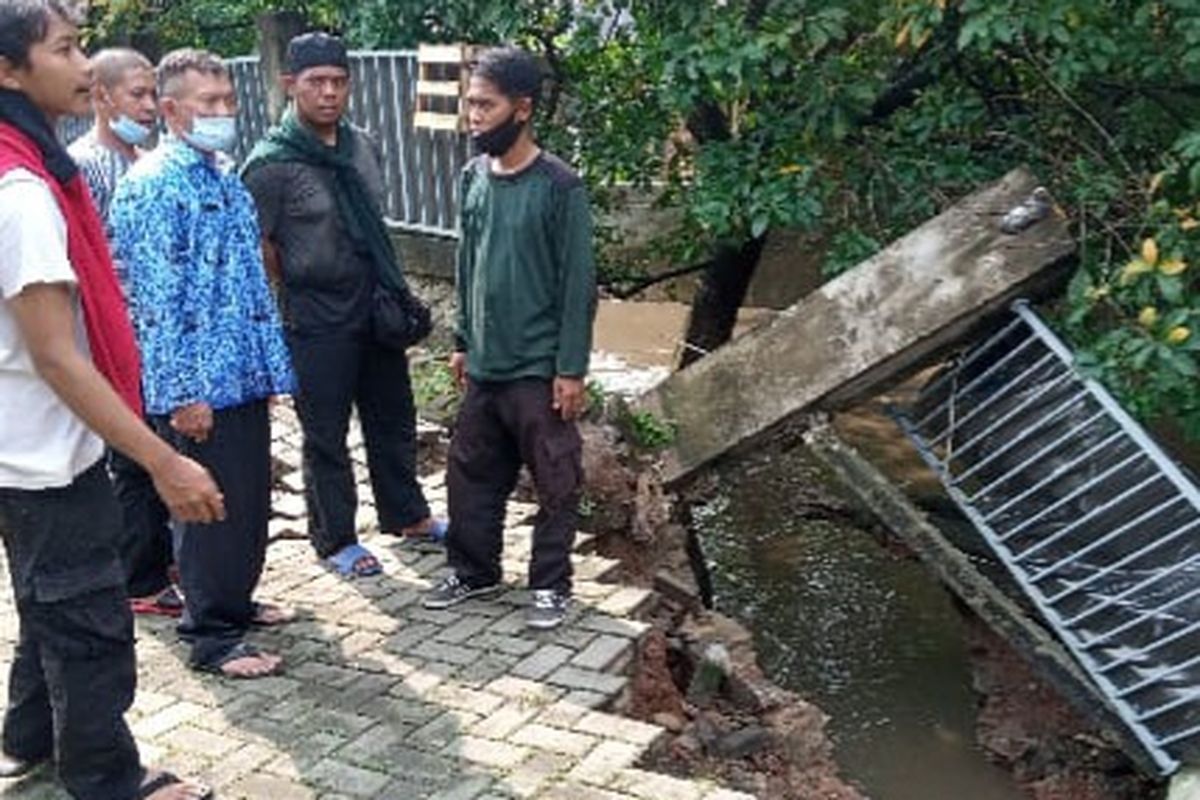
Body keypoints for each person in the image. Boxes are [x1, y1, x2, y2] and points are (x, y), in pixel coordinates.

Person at [0, 1, 221, 796]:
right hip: (45, 453)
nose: (85, 64)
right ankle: (106, 779)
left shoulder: (16, 164)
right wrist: (163, 461)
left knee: (46, 603)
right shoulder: (22, 190)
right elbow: (58, 357)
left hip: (20, 450)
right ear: (8, 71)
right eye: (64, 49)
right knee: (90, 623)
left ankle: (29, 737)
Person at [110, 48, 296, 679]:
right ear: (169, 110)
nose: (223, 112)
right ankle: (213, 636)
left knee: (246, 503)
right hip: (198, 389)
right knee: (208, 511)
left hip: (239, 375)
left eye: (227, 101)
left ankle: (233, 603)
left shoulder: (222, 175)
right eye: (207, 103)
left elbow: (248, 285)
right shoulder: (155, 186)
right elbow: (157, 306)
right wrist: (182, 394)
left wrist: (268, 371)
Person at [242, 32, 443, 580]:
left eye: (338, 82)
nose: (329, 93)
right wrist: (303, 283)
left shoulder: (362, 145)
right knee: (326, 431)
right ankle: (335, 538)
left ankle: (408, 515)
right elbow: (262, 247)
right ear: (290, 86)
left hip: (375, 306)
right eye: (316, 83)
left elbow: (375, 222)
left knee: (393, 416)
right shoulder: (270, 166)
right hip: (316, 316)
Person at [422, 46, 597, 630]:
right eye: (469, 103)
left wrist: (570, 369)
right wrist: (462, 340)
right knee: (469, 474)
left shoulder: (559, 186)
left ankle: (550, 586)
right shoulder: (473, 176)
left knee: (555, 479)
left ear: (521, 109)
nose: (473, 115)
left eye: (485, 104)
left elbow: (578, 285)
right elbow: (467, 263)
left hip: (538, 369)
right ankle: (474, 571)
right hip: (485, 366)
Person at [68, 47, 182, 618]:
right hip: (116, 337)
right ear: (103, 96)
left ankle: (164, 562)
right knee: (132, 462)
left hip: (158, 335)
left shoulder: (150, 157)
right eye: (136, 94)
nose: (148, 106)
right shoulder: (83, 165)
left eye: (151, 94)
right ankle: (140, 578)